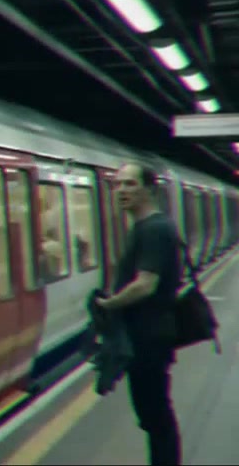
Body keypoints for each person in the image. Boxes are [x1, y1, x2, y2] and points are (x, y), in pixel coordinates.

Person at [95, 162, 182, 465]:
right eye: (118, 184)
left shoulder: (154, 229)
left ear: (150, 189)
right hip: (146, 337)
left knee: (155, 415)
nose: (121, 191)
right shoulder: (147, 227)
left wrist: (108, 304)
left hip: (149, 339)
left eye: (130, 184)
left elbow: (145, 285)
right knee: (152, 414)